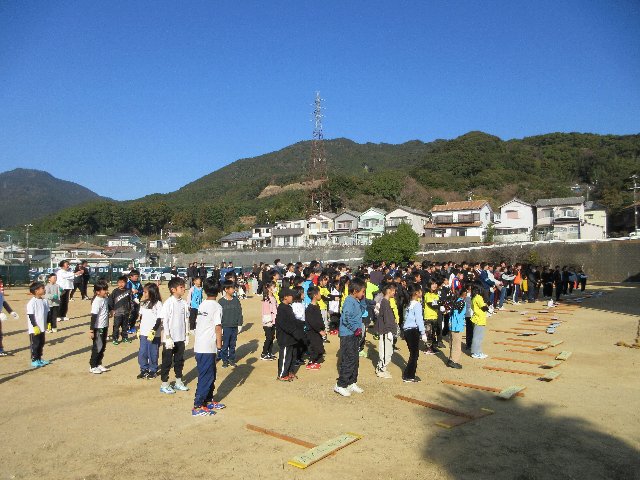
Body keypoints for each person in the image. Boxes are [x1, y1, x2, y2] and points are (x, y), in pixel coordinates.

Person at [192, 277, 226, 416]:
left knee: (211, 374)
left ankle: (208, 400)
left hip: (200, 345)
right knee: (206, 376)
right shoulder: (217, 307)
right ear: (219, 290)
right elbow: (218, 327)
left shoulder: (202, 304)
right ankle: (198, 405)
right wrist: (219, 346)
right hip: (207, 346)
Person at [334, 278, 366, 397]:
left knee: (355, 359)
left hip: (354, 334)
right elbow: (346, 317)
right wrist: (354, 329)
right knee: (349, 359)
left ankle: (351, 382)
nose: (363, 294)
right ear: (355, 291)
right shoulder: (349, 301)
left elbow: (362, 311)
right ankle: (341, 385)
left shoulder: (356, 301)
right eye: (362, 291)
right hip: (348, 335)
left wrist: (363, 300)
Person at [159, 277, 190, 394]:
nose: (184, 289)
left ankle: (178, 382)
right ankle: (164, 384)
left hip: (180, 338)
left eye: (184, 287)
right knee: (167, 361)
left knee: (179, 361)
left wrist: (186, 334)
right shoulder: (168, 303)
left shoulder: (184, 303)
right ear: (173, 289)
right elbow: (165, 321)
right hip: (170, 339)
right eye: (181, 287)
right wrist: (167, 337)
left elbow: (186, 320)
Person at [402, 283, 428, 383]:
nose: (422, 292)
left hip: (407, 330)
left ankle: (408, 374)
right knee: (414, 354)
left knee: (413, 353)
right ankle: (409, 376)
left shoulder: (408, 304)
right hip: (413, 330)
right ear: (417, 293)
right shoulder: (417, 305)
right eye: (420, 291)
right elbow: (419, 320)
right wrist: (423, 333)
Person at [275, 289, 302, 381]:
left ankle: (290, 372)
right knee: (285, 357)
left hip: (292, 338)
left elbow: (292, 321)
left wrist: (300, 324)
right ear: (285, 297)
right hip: (285, 338)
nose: (293, 297)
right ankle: (282, 374)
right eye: (291, 296)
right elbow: (284, 324)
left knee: (292, 356)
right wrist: (294, 331)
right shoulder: (281, 309)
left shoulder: (289, 307)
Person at [137, 283, 163, 380]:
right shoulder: (143, 303)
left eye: (145, 292)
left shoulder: (158, 304)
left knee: (152, 352)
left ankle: (153, 370)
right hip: (143, 332)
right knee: (142, 352)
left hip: (153, 334)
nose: (144, 294)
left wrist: (154, 330)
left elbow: (159, 318)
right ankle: (144, 369)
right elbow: (141, 317)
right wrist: (139, 329)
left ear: (152, 292)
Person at [218, 280, 243, 368]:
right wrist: (220, 328)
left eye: (233, 288)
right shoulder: (221, 302)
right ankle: (224, 360)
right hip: (225, 327)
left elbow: (240, 313)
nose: (234, 290)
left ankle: (231, 359)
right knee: (225, 345)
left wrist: (240, 324)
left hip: (234, 326)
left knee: (232, 345)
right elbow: (218, 316)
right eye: (232, 288)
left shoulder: (236, 300)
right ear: (226, 289)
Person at [375, 282, 396, 379]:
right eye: (393, 290)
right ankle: (381, 369)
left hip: (387, 330)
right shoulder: (384, 302)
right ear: (388, 291)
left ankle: (382, 368)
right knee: (385, 351)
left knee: (388, 350)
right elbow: (386, 318)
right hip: (385, 331)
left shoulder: (385, 302)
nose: (394, 292)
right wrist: (389, 331)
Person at [88, 281, 110, 374]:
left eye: (106, 289)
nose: (106, 291)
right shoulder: (96, 301)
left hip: (104, 326)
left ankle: (98, 363)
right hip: (98, 327)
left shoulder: (105, 299)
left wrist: (111, 311)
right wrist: (91, 330)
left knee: (103, 346)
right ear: (97, 292)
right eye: (104, 290)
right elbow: (94, 316)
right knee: (98, 346)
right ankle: (93, 366)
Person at [26, 281, 49, 368]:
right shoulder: (32, 302)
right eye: (42, 288)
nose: (44, 290)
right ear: (36, 291)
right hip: (35, 328)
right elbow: (31, 315)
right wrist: (35, 326)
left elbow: (48, 312)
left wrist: (49, 322)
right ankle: (34, 360)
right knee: (35, 344)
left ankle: (39, 358)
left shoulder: (44, 301)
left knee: (41, 343)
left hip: (42, 327)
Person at [108, 275, 133, 345]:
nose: (121, 284)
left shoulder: (128, 291)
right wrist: (111, 310)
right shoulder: (115, 291)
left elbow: (131, 301)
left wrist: (131, 309)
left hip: (126, 312)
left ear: (126, 283)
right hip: (117, 313)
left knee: (125, 326)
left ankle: (125, 337)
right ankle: (115, 338)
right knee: (116, 326)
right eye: (119, 282)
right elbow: (110, 301)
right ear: (117, 283)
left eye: (123, 282)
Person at [305, 286, 325, 370]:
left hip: (317, 331)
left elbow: (319, 319)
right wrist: (319, 330)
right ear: (315, 295)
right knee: (314, 348)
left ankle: (315, 361)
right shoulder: (310, 308)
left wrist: (322, 328)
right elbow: (312, 322)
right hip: (312, 332)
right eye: (319, 293)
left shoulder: (316, 306)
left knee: (319, 347)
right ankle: (311, 363)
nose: (320, 295)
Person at [0, 275, 20, 356]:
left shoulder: (0, 294)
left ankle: (0, 349)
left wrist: (11, 312)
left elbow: (4, 302)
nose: (1, 284)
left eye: (1, 281)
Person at [447, 290, 467, 369]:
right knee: (457, 345)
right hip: (457, 326)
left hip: (452, 325)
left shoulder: (455, 301)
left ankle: (451, 358)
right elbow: (457, 315)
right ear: (464, 294)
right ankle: (454, 360)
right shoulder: (461, 302)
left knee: (452, 343)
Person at [470, 285, 490, 359]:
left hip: (477, 318)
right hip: (479, 319)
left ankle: (478, 351)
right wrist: (488, 305)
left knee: (478, 337)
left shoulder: (474, 297)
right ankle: (476, 352)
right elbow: (484, 307)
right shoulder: (478, 297)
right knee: (478, 337)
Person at [260, 281, 277, 361]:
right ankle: (264, 353)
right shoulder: (266, 299)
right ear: (269, 289)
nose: (275, 288)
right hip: (268, 322)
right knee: (269, 337)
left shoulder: (273, 297)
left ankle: (269, 352)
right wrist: (269, 321)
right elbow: (266, 312)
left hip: (273, 321)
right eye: (274, 287)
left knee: (272, 337)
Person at [126, 270, 143, 334]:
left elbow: (142, 290)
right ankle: (128, 327)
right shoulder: (128, 283)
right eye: (135, 276)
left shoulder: (138, 283)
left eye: (137, 276)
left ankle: (132, 326)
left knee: (136, 314)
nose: (137, 277)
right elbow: (127, 292)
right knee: (131, 314)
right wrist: (133, 298)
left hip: (137, 301)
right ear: (131, 276)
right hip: (130, 302)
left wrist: (138, 291)